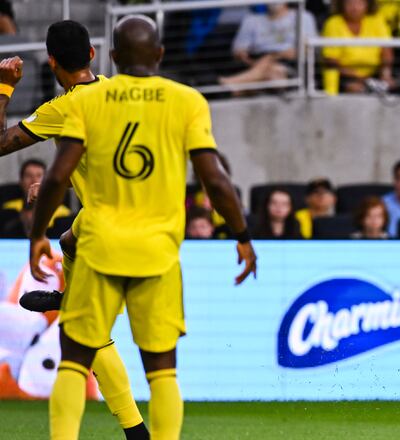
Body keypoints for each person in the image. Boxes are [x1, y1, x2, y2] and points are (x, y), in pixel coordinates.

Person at [28, 15, 256, 440]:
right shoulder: (185, 100)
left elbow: (60, 175)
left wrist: (37, 233)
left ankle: (69, 297)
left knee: (75, 357)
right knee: (163, 370)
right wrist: (242, 236)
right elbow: (216, 178)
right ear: (159, 54)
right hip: (157, 249)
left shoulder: (83, 103)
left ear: (112, 55)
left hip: (101, 240)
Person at [0, 21, 150, 439]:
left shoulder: (60, 109)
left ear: (50, 61)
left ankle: (137, 433)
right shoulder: (122, 94)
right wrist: (57, 181)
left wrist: (5, 87)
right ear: (92, 55)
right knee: (69, 239)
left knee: (89, 335)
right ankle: (68, 295)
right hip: (141, 213)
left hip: (109, 225)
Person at [219, 4, 318, 88]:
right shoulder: (251, 20)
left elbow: (306, 49)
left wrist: (273, 56)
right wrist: (250, 60)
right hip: (255, 62)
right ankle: (236, 86)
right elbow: (238, 51)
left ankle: (230, 83)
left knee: (274, 71)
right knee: (275, 76)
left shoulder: (303, 17)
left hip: (290, 63)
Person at [321, 0, 394, 94]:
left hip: (375, 75)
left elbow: (386, 51)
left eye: (359, 3)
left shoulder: (376, 20)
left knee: (394, 86)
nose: (354, 8)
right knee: (356, 89)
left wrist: (385, 75)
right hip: (344, 76)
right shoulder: (333, 23)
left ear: (367, 4)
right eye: (350, 3)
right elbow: (331, 60)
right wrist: (363, 79)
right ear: (342, 5)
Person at [1, 159, 71, 237]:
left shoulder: (63, 214)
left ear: (46, 180)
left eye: (39, 176)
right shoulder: (7, 210)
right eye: (28, 176)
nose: (34, 181)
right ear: (21, 181)